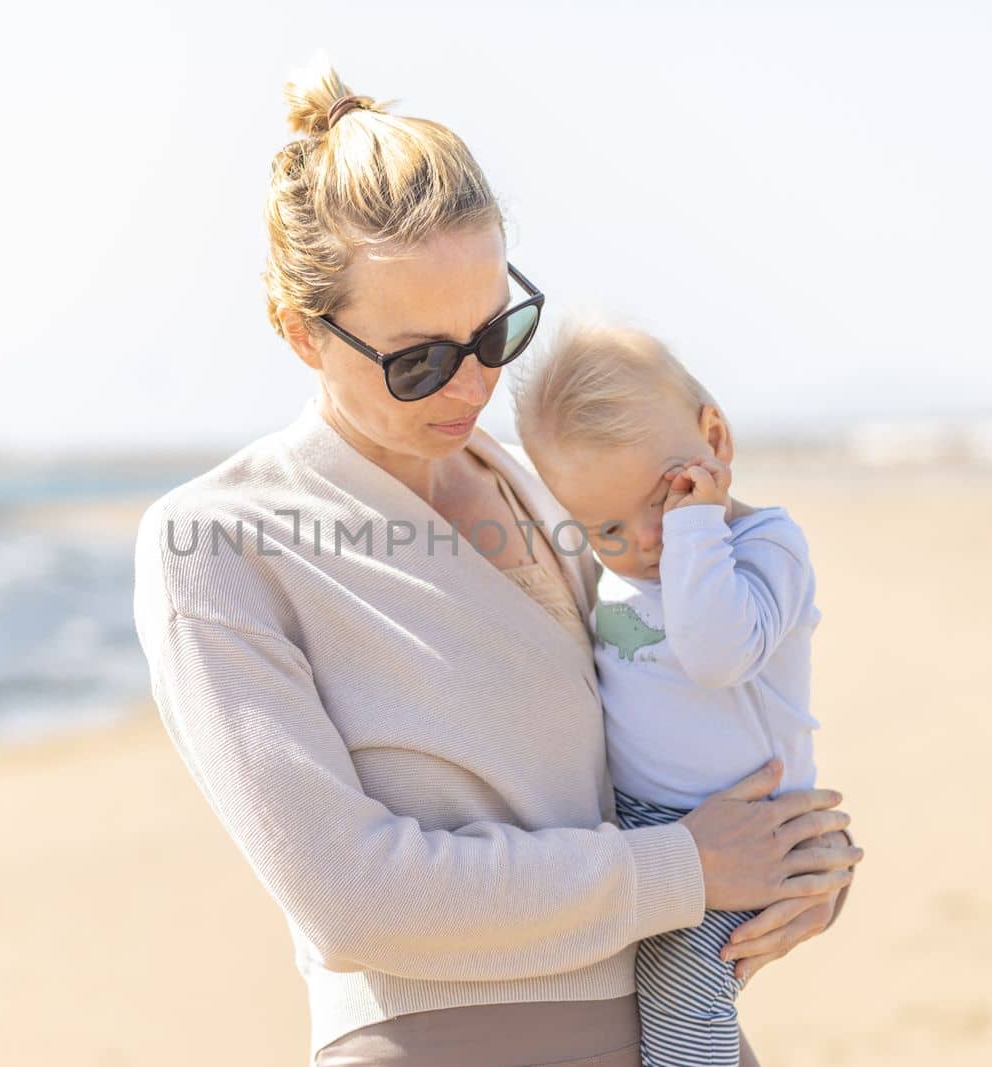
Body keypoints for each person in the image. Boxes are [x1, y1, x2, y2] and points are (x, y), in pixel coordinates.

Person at [130, 55, 861, 1067]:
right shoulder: (218, 543)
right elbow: (350, 898)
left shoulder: (546, 490)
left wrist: (806, 860)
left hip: (676, 1033)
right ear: (299, 332)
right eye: (416, 359)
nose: (470, 384)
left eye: (493, 332)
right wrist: (684, 868)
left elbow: (682, 714)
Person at [514, 319, 840, 1067]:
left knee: (681, 988)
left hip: (747, 825)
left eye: (662, 498)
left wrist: (699, 525)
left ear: (714, 442)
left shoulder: (766, 547)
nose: (646, 539)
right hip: (645, 824)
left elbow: (714, 652)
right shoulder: (619, 568)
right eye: (607, 527)